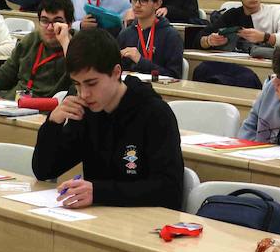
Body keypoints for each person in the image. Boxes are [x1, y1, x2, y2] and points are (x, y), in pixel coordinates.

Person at [31, 29, 185, 209]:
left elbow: (169, 191)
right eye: (77, 85)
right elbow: (44, 171)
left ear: (116, 72)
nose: (84, 94)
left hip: (143, 223)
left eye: (92, 83)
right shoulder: (84, 109)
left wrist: (98, 192)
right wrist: (52, 125)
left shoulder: (155, 113)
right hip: (97, 219)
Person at [117, 0, 183, 79]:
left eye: (144, 0)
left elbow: (173, 76)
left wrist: (140, 61)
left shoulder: (171, 36)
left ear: (157, 3)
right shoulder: (125, 34)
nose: (137, 5)